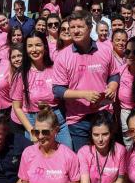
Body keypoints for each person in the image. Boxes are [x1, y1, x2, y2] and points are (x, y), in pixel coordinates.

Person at [52, 11, 122, 151]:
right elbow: (58, 90)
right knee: (83, 161)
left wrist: (112, 87)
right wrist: (83, 94)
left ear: (90, 28)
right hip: (78, 120)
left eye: (80, 26)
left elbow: (114, 75)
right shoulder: (62, 56)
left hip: (103, 113)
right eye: (72, 27)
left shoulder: (105, 50)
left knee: (105, 158)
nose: (75, 31)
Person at [10, 32, 72, 147]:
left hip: (58, 121)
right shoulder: (20, 75)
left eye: (38, 45)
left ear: (45, 47)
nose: (34, 49)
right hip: (34, 124)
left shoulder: (56, 69)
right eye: (30, 46)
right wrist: (31, 130)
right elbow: (17, 107)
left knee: (66, 156)